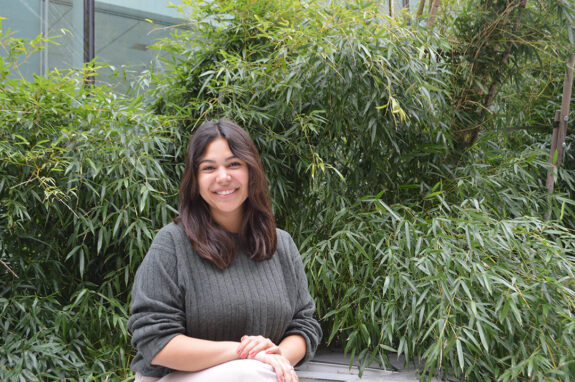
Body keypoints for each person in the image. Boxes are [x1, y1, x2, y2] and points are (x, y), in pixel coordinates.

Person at [128, 119, 322, 382]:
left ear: (251, 171)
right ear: (195, 180)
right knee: (252, 373)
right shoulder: (172, 244)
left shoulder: (281, 244)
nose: (223, 177)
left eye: (234, 164)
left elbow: (304, 325)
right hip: (176, 377)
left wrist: (276, 357)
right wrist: (245, 353)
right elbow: (155, 340)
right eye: (209, 168)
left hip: (261, 376)